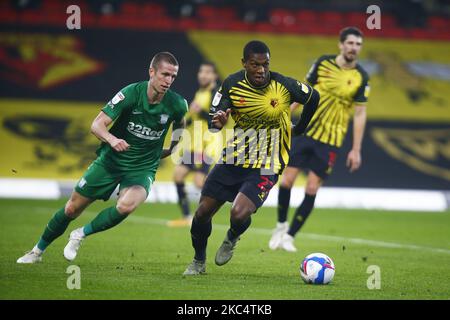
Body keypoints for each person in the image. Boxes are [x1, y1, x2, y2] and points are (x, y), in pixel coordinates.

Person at [17, 52, 188, 263]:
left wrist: (172, 148)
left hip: (142, 167)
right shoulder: (130, 94)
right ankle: (37, 251)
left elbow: (180, 124)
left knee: (126, 206)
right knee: (72, 208)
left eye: (173, 77)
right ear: (151, 72)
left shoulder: (177, 104)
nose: (169, 81)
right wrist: (111, 139)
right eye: (165, 75)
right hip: (111, 161)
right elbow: (96, 125)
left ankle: (81, 234)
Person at [183, 40, 320, 275]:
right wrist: (217, 123)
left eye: (265, 64)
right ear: (244, 63)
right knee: (202, 212)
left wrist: (299, 128)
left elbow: (314, 96)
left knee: (238, 213)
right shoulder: (231, 84)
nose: (261, 70)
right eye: (255, 65)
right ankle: (198, 260)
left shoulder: (284, 85)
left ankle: (232, 236)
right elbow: (214, 120)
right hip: (234, 158)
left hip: (268, 162)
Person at [269, 27, 369, 252]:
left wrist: (356, 149)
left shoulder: (362, 77)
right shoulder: (323, 63)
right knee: (286, 181)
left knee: (312, 188)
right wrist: (286, 114)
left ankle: (290, 237)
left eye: (358, 44)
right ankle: (280, 226)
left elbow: (360, 113)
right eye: (351, 43)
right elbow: (303, 91)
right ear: (341, 44)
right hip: (306, 132)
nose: (354, 48)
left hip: (331, 140)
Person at [167, 62, 220, 227]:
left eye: (207, 72)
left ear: (214, 76)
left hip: (207, 144)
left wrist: (200, 111)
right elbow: (193, 119)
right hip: (193, 144)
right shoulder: (200, 92)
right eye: (201, 71)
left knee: (199, 182)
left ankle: (206, 214)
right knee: (178, 175)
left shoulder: (215, 94)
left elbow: (216, 120)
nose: (203, 75)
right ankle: (187, 216)